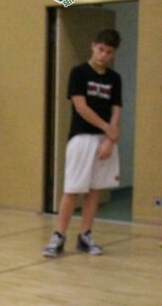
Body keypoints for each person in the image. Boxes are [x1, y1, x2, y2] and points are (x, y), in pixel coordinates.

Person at [44, 28, 122, 257]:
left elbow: (116, 110)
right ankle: (59, 236)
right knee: (72, 189)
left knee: (95, 190)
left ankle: (85, 235)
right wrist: (107, 128)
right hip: (82, 138)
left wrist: (110, 140)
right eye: (101, 49)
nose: (104, 55)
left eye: (109, 52)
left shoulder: (114, 79)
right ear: (93, 46)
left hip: (104, 140)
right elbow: (81, 107)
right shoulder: (78, 73)